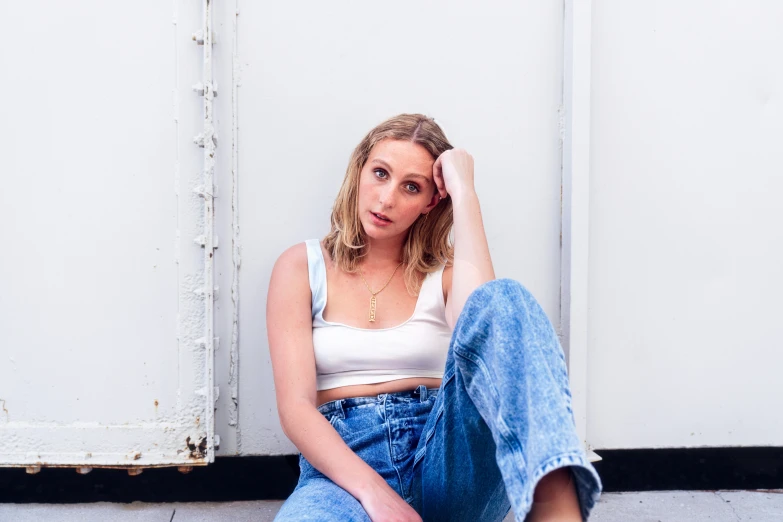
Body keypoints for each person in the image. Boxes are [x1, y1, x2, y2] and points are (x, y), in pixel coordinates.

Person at [266, 113, 602, 521]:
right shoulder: (302, 266)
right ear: (358, 173)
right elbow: (296, 407)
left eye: (411, 186)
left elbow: (488, 322)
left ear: (431, 202)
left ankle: (554, 501)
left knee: (504, 298)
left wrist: (464, 191)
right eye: (380, 173)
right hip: (343, 471)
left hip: (447, 460)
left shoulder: (443, 279)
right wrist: (376, 493)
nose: (387, 199)